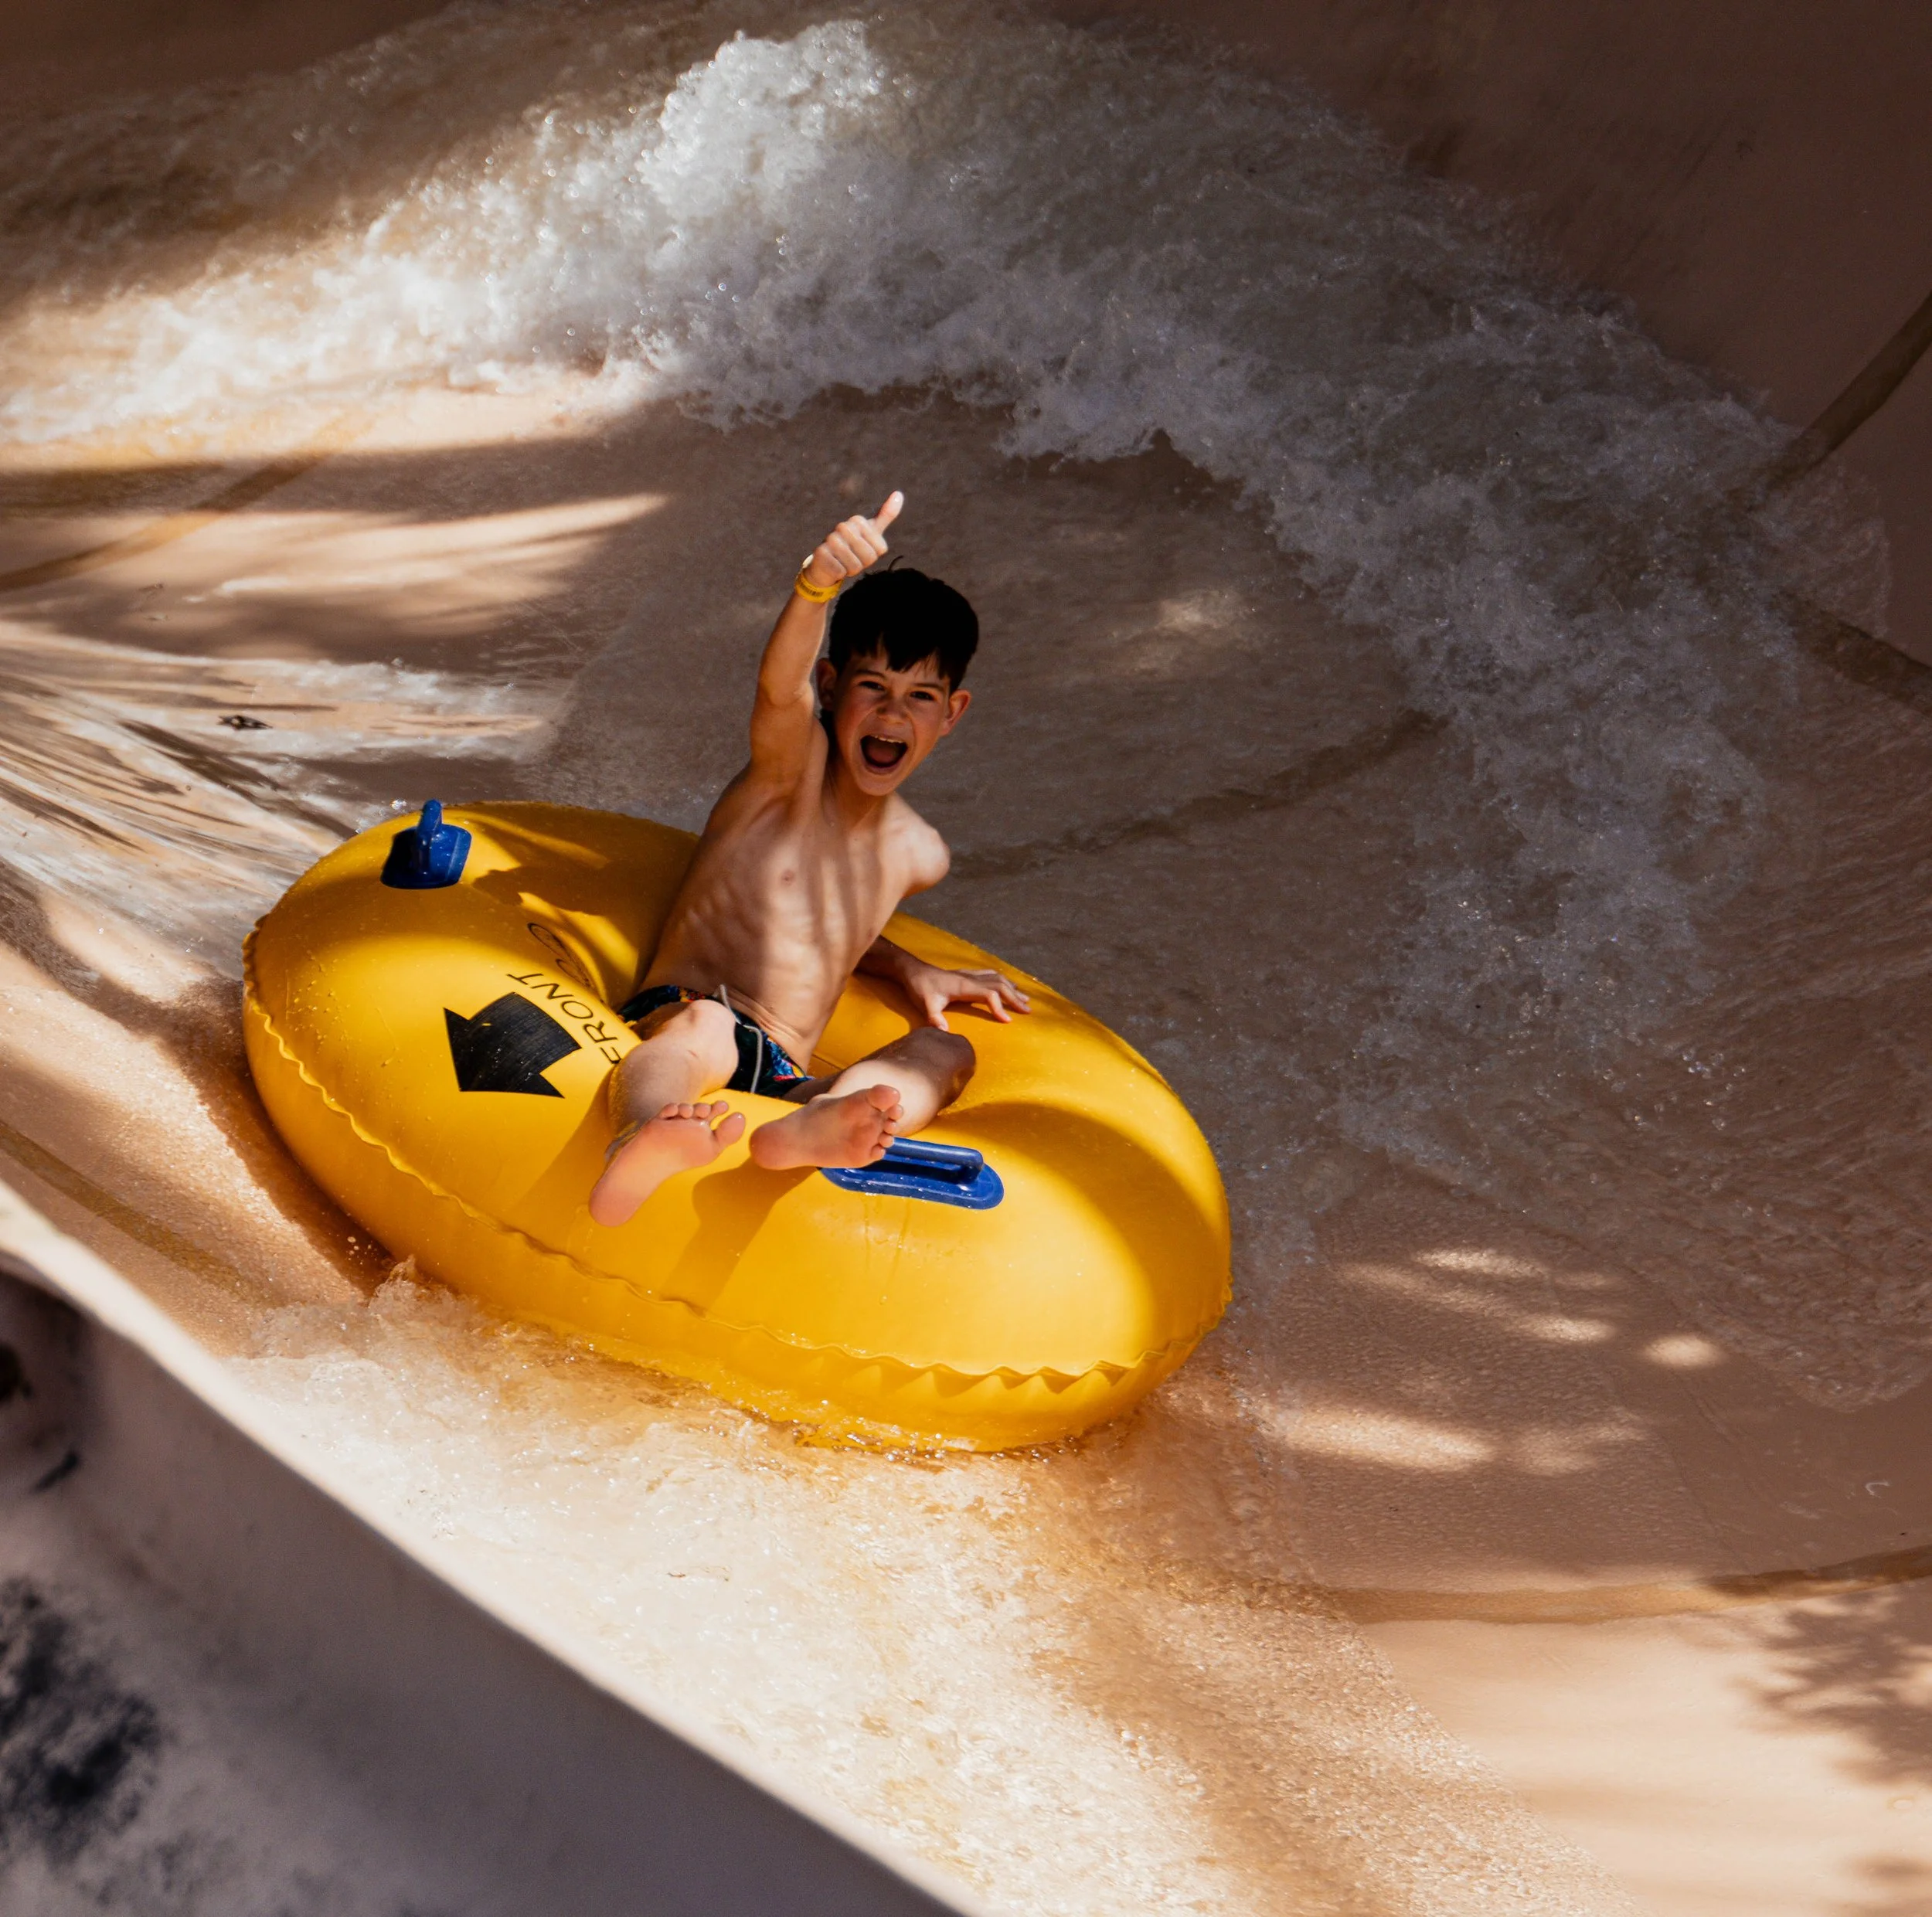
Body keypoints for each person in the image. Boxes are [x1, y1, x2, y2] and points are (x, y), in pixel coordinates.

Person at [588, 491, 1029, 1228]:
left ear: (951, 714)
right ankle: (639, 1137)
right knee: (708, 1032)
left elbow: (829, 927)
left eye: (921, 696)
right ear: (830, 687)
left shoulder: (920, 853)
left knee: (944, 1055)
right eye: (873, 688)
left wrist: (910, 967)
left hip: (786, 1073)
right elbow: (776, 687)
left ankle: (815, 1124)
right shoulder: (790, 770)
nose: (893, 716)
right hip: (689, 1018)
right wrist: (815, 586)